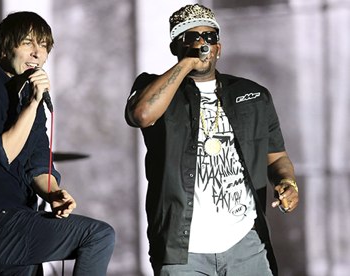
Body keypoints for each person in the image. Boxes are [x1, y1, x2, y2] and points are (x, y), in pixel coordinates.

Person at [125, 4, 299, 276]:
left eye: (209, 37)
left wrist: (287, 182)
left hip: (246, 244)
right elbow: (142, 115)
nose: (202, 43)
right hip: (183, 251)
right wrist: (186, 63)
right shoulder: (153, 86)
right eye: (192, 37)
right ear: (175, 47)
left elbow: (276, 156)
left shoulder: (253, 95)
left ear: (219, 47)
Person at [0, 11, 115, 276]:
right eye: (28, 43)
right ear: (4, 47)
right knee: (98, 235)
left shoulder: (29, 102)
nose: (38, 53)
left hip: (23, 222)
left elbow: (37, 165)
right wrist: (34, 103)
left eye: (44, 46)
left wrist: (54, 194)